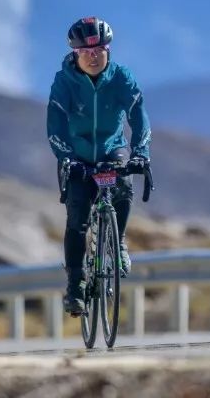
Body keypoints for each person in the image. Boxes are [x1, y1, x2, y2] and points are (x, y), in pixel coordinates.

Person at [46, 16, 152, 317]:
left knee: (122, 187)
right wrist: (65, 157)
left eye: (99, 50)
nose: (92, 57)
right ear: (76, 53)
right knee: (77, 218)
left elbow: (139, 117)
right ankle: (76, 283)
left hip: (112, 148)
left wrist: (140, 152)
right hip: (77, 155)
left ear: (108, 50)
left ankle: (116, 242)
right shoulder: (63, 81)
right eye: (85, 52)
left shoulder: (122, 77)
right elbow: (55, 124)